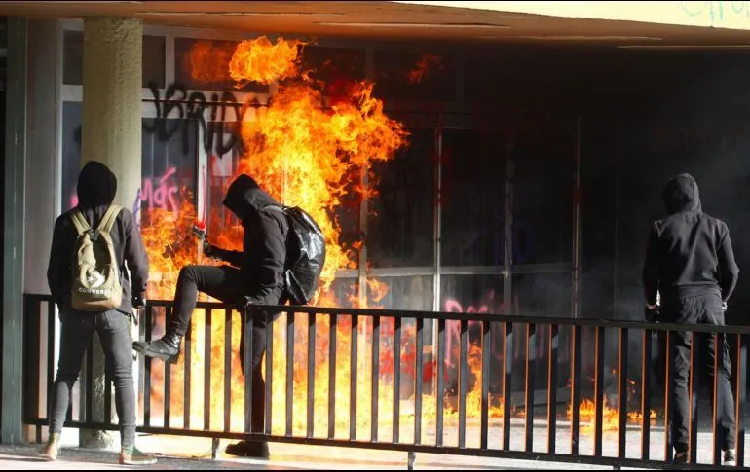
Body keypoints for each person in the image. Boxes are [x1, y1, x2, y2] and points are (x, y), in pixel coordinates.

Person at [132, 174, 287, 458]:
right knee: (251, 369)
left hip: (261, 300)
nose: (237, 215)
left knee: (191, 274)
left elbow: (274, 268)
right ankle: (257, 441)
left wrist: (257, 301)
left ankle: (172, 341)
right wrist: (217, 252)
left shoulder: (264, 219)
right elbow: (255, 261)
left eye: (237, 208)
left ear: (246, 201)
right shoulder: (264, 216)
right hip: (258, 296)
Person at [43, 161, 155, 464]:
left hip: (76, 308)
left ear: (81, 187)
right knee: (122, 377)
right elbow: (139, 265)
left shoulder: (65, 221)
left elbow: (54, 271)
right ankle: (126, 449)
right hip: (114, 308)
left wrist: (65, 303)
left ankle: (53, 442)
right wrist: (139, 297)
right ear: (111, 187)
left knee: (65, 375)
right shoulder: (122, 217)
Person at [643, 173, 739, 466]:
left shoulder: (661, 227)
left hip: (676, 306)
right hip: (712, 305)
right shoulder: (718, 226)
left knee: (679, 377)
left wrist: (651, 302)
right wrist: (722, 299)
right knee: (719, 372)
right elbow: (732, 271)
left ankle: (682, 447)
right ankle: (729, 446)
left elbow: (649, 273)